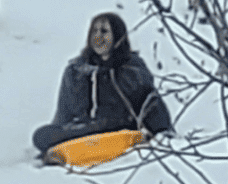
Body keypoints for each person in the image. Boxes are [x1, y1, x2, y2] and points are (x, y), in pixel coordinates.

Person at [32, 12, 173, 158]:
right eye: (95, 31)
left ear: (117, 36)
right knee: (41, 136)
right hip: (83, 130)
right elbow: (64, 111)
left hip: (117, 132)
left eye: (104, 31)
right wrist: (57, 131)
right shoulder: (76, 70)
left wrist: (161, 132)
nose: (98, 36)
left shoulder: (131, 69)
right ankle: (68, 150)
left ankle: (69, 152)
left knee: (119, 138)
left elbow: (151, 104)